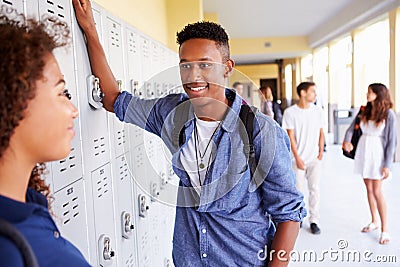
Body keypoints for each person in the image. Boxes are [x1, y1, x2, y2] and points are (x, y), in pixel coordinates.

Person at [73, 0, 306, 266]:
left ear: (227, 67)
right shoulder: (171, 113)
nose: (193, 76)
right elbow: (113, 100)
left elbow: (288, 215)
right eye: (185, 65)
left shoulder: (261, 130)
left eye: (205, 65)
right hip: (189, 259)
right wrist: (91, 31)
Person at [0, 9, 90, 267]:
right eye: (62, 93)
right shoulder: (7, 250)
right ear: (14, 102)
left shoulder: (29, 204)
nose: (73, 110)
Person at [343, 83, 396, 245]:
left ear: (379, 95)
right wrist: (346, 141)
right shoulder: (364, 110)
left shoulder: (389, 114)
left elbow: (392, 141)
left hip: (378, 154)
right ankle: (374, 221)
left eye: (370, 92)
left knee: (377, 191)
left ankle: (385, 229)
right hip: (363, 151)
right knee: (369, 188)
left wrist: (387, 164)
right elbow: (351, 129)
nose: (367, 94)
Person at [282, 82, 324, 235]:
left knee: (314, 189)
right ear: (303, 93)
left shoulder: (318, 111)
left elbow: (321, 132)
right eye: (312, 91)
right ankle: (299, 218)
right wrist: (297, 157)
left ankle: (314, 220)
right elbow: (290, 137)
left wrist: (321, 152)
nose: (315, 94)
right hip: (297, 159)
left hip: (314, 158)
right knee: (298, 191)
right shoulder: (290, 113)